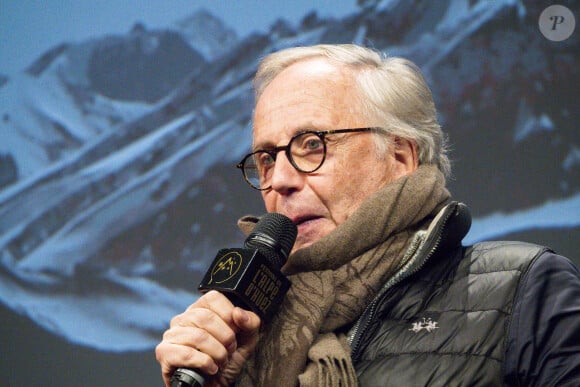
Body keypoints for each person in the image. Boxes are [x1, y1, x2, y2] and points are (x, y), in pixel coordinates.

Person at [155, 44, 580, 386]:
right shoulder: (241, 335)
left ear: (400, 156)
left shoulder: (524, 289)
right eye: (266, 157)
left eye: (312, 144)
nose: (280, 179)